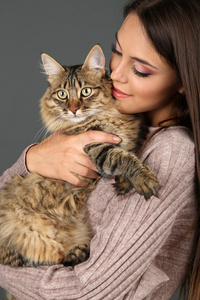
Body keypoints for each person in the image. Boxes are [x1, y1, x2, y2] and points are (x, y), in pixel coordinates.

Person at [0, 0, 199, 299]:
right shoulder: (119, 123)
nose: (115, 73)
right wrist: (32, 159)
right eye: (117, 51)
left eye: (141, 70)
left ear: (183, 80)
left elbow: (85, 293)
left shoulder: (170, 151)